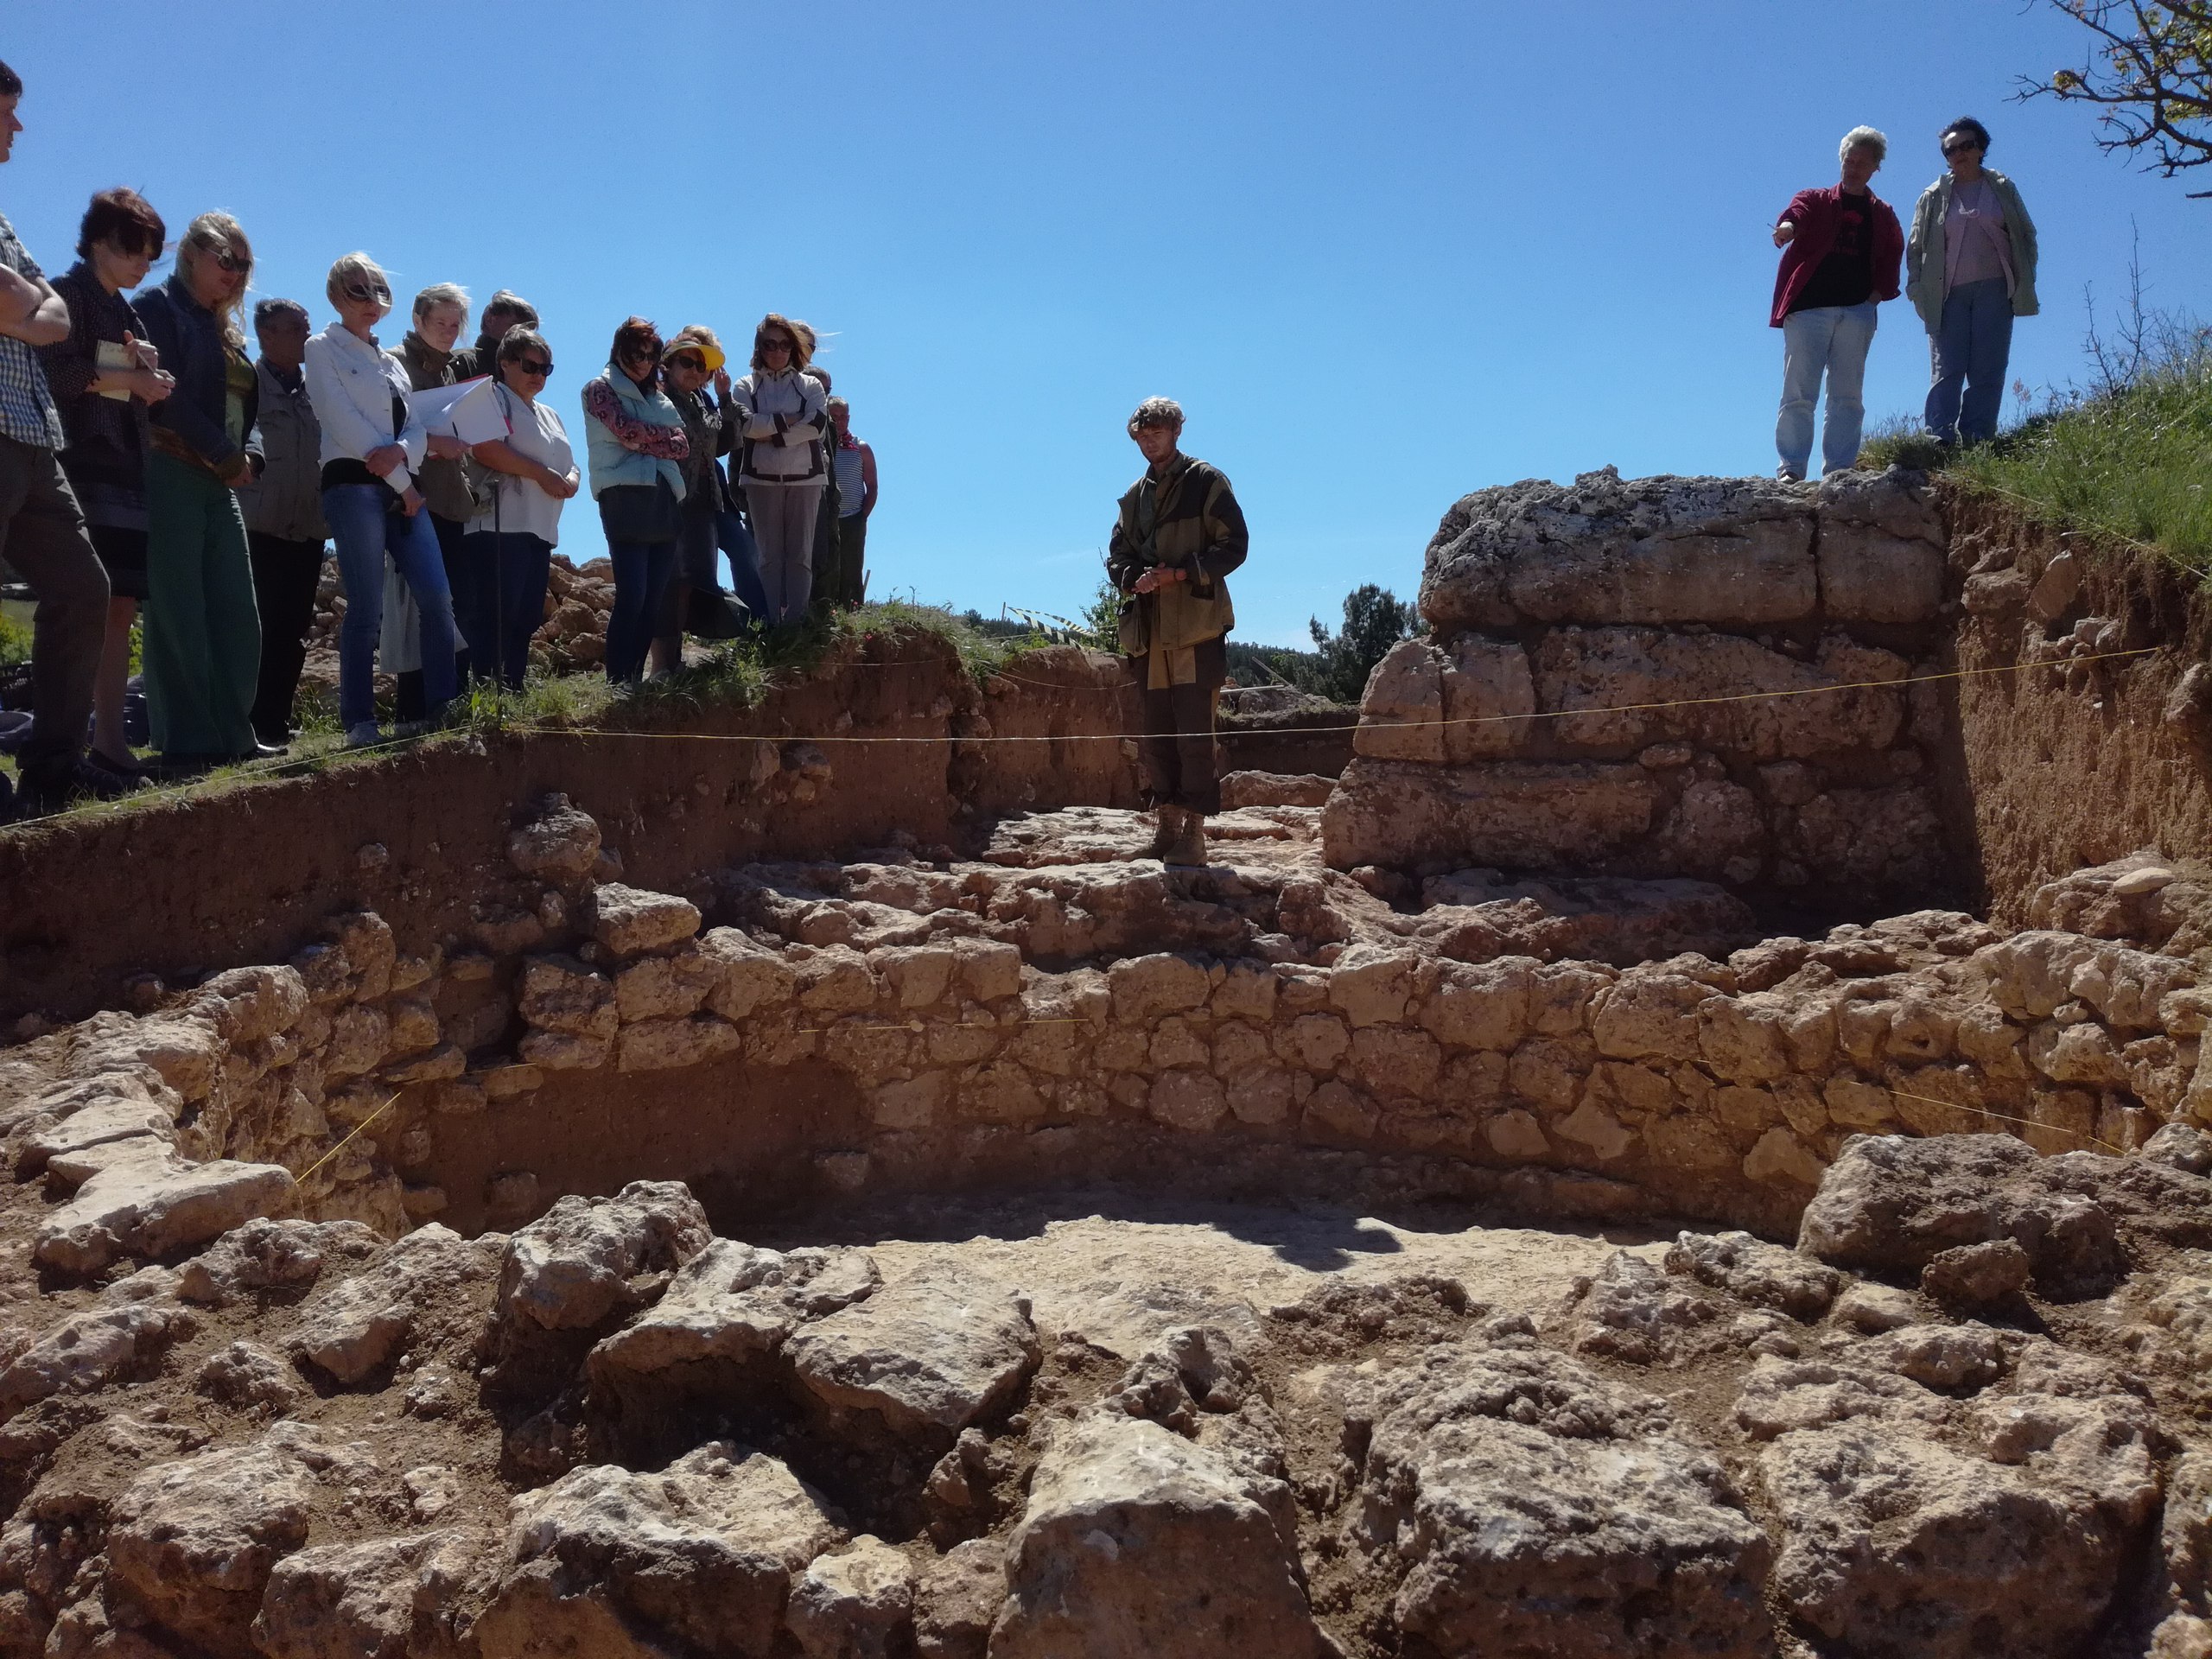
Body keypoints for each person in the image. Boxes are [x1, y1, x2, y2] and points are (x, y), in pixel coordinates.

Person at [0, 59, 128, 816]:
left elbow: (53, 313)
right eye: (7, 111)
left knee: (84, 589)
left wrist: (29, 307)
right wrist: (30, 308)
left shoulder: (5, 222)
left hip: (30, 436)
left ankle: (52, 768)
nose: (17, 127)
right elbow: (32, 307)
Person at [39, 188, 175, 775]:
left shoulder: (127, 308)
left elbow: (112, 382)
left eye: (149, 254)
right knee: (87, 603)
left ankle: (108, 743)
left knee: (119, 607)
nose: (142, 265)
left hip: (124, 463)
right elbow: (52, 373)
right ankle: (69, 748)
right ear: (98, 241)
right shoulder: (65, 293)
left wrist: (149, 381)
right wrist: (123, 377)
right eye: (132, 250)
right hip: (83, 462)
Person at [302, 251, 459, 747]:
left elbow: (411, 425)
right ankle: (359, 721)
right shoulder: (321, 348)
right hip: (354, 487)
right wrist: (405, 483)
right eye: (358, 290)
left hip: (403, 490)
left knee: (437, 597)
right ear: (334, 296)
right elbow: (344, 425)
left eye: (379, 291)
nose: (371, 301)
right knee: (366, 607)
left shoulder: (391, 362)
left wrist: (403, 458)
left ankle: (443, 707)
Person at [134, 212, 266, 766]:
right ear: (190, 252)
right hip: (169, 469)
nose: (234, 275)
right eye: (225, 260)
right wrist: (222, 452)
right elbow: (165, 395)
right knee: (179, 610)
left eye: (243, 266)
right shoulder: (154, 309)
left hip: (222, 482)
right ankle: (188, 741)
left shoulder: (226, 330)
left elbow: (247, 408)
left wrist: (252, 454)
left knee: (238, 612)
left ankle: (234, 735)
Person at [1104, 397, 1248, 868]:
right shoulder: (1133, 497)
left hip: (1195, 631)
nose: (1150, 442)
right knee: (1155, 732)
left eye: (1158, 433)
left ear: (1176, 432)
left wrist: (1180, 574)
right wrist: (1134, 579)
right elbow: (1117, 556)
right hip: (1149, 633)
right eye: (1143, 436)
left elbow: (1235, 546)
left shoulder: (1206, 482)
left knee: (1194, 731)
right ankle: (1165, 827)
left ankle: (1195, 833)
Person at [1770, 126, 1903, 481]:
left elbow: (1893, 254)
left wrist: (1874, 298)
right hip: (1809, 309)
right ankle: (1792, 470)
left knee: (1847, 396)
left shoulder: (1883, 213)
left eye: (1862, 162)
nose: (1853, 167)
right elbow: (1795, 212)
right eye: (1848, 159)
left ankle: (1840, 472)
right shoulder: (1815, 199)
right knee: (1799, 392)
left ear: (1876, 167)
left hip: (1856, 312)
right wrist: (1786, 227)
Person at [1907, 117, 2040, 448]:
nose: (1959, 153)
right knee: (1946, 368)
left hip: (1995, 290)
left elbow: (2025, 235)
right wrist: (1915, 288)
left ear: (1981, 149)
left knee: (1988, 368)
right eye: (1951, 149)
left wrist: (2024, 280)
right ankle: (1938, 437)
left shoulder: (2003, 187)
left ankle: (1978, 437)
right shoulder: (1933, 195)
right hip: (1946, 294)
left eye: (1966, 146)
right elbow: (1916, 246)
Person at [461, 324, 577, 688]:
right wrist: (542, 474)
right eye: (530, 366)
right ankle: (486, 690)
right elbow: (486, 449)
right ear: (506, 363)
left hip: (541, 524)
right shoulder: (491, 398)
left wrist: (570, 480)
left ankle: (513, 686)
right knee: (498, 613)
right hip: (499, 522)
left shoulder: (550, 414)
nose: (538, 376)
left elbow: (570, 460)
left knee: (526, 614)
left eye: (545, 369)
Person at [237, 299, 328, 746]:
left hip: (306, 527)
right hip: (258, 527)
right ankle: (244, 723)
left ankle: (275, 721)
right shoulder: (247, 385)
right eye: (295, 328)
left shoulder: (317, 392)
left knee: (292, 630)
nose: (305, 336)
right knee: (255, 628)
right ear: (266, 334)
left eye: (306, 327)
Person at [581, 316, 688, 681]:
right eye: (636, 353)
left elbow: (681, 445)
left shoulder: (657, 396)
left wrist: (643, 439)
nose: (643, 361)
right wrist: (657, 439)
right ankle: (617, 681)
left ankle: (634, 680)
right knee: (633, 596)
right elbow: (622, 428)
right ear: (619, 351)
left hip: (664, 497)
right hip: (623, 497)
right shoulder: (599, 388)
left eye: (650, 354)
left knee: (653, 599)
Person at [390, 283, 476, 715]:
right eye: (439, 322)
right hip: (411, 498)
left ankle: (447, 699)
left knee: (448, 604)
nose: (447, 330)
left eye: (454, 323)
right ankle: (414, 708)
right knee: (416, 606)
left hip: (450, 500)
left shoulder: (449, 371)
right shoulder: (395, 364)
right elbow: (387, 430)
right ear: (418, 320)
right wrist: (434, 442)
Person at [729, 315, 828, 626]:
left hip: (807, 479)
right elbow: (744, 424)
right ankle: (772, 625)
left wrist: (772, 433)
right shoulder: (745, 385)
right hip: (761, 480)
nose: (777, 351)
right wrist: (789, 420)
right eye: (770, 344)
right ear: (759, 347)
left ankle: (795, 626)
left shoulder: (809, 384)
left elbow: (817, 425)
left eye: (785, 344)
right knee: (769, 558)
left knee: (800, 556)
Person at [649, 323, 735, 673]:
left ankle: (675, 661)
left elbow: (723, 442)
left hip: (702, 498)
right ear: (668, 364)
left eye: (702, 366)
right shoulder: (657, 397)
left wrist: (725, 399)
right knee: (667, 581)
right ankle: (659, 667)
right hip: (669, 496)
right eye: (688, 363)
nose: (696, 371)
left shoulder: (703, 400)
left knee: (691, 582)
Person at [798, 344, 844, 607]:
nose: (824, 396)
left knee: (824, 563)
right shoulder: (790, 413)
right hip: (796, 499)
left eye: (828, 391)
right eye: (820, 389)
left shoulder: (829, 424)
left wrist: (833, 502)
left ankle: (820, 622)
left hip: (824, 505)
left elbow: (831, 467)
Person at [824, 396, 876, 608]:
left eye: (842, 416)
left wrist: (862, 516)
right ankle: (826, 613)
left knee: (852, 569)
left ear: (849, 418)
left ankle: (853, 613)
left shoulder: (861, 448)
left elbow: (872, 486)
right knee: (827, 569)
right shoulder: (819, 447)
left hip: (852, 518)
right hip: (825, 519)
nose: (838, 421)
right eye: (833, 416)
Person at [450, 289, 537, 384]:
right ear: (490, 320)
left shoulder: (522, 373)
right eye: (515, 326)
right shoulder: (464, 362)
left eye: (527, 331)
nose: (521, 335)